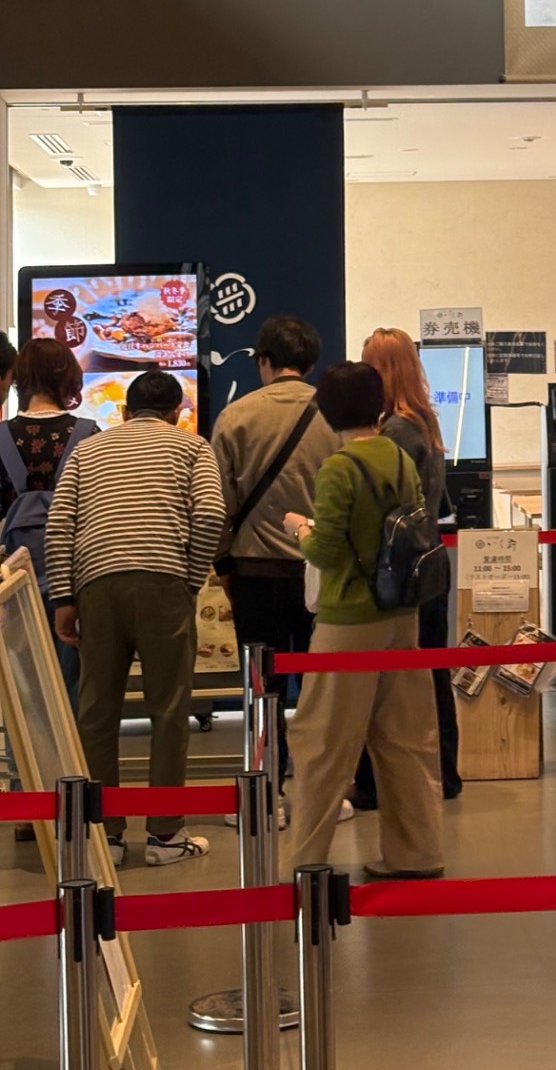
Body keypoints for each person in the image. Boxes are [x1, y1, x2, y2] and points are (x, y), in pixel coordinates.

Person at [46, 367, 226, 866]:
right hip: (164, 582)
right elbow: (211, 513)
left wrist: (64, 597)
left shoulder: (87, 450)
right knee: (169, 710)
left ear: (125, 412)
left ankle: (105, 835)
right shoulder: (192, 447)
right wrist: (190, 578)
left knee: (97, 713)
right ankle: (165, 836)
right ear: (177, 413)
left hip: (96, 584)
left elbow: (60, 523)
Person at [282, 362, 444, 881]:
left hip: (348, 621)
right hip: (401, 613)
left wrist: (298, 529)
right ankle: (417, 853)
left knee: (322, 744)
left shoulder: (340, 467)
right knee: (406, 740)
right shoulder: (398, 455)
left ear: (326, 411)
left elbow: (327, 551)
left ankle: (305, 861)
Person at [211, 314, 338, 806]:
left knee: (262, 687)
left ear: (263, 360)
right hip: (321, 575)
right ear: (310, 363)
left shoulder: (236, 416)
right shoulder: (333, 416)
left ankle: (266, 793)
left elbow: (219, 502)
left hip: (255, 572)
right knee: (321, 689)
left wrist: (224, 565)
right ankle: (321, 794)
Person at [352, 327, 460, 805]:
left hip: (400, 571)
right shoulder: (425, 423)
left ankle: (381, 783)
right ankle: (444, 772)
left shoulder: (393, 431)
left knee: (392, 681)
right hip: (431, 562)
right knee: (432, 676)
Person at [0, 338, 100, 709]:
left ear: (20, 379)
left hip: (12, 577)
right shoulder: (89, 436)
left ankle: (27, 749)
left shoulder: (1, 437)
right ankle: (72, 748)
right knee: (74, 681)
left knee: (22, 687)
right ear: (68, 378)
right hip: (75, 578)